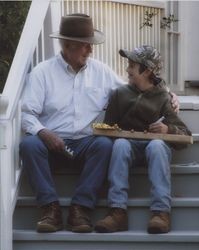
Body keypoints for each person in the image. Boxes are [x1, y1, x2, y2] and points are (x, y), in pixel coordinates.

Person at [20, 14, 179, 234]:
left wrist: (167, 93)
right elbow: (27, 114)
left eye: (91, 45)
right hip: (51, 144)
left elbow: (135, 87)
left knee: (105, 144)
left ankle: (80, 209)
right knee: (29, 145)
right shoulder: (42, 73)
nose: (90, 50)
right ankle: (50, 209)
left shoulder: (100, 71)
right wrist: (43, 132)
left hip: (86, 144)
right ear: (68, 45)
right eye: (85, 46)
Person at [95, 45, 192, 234]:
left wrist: (167, 128)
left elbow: (184, 136)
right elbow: (108, 127)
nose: (127, 69)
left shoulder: (164, 98)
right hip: (127, 150)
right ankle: (117, 212)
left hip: (154, 151)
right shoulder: (120, 94)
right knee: (121, 144)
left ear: (147, 70)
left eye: (132, 65)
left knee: (156, 145)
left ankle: (161, 212)